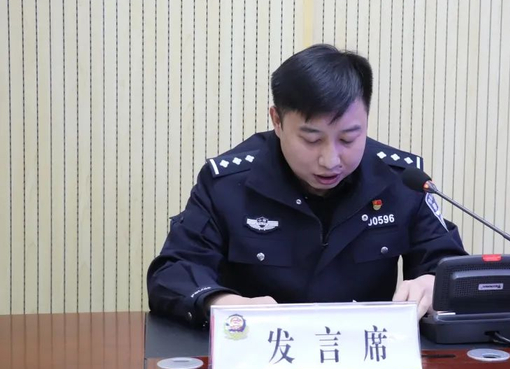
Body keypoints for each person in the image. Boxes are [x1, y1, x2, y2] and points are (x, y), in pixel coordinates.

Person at [147, 44, 466, 327]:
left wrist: (433, 282)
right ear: (277, 120)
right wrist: (223, 303)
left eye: (348, 139)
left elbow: (451, 267)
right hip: (259, 355)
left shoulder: (402, 181)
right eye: (311, 140)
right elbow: (172, 272)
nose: (331, 160)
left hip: (365, 356)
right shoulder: (228, 184)